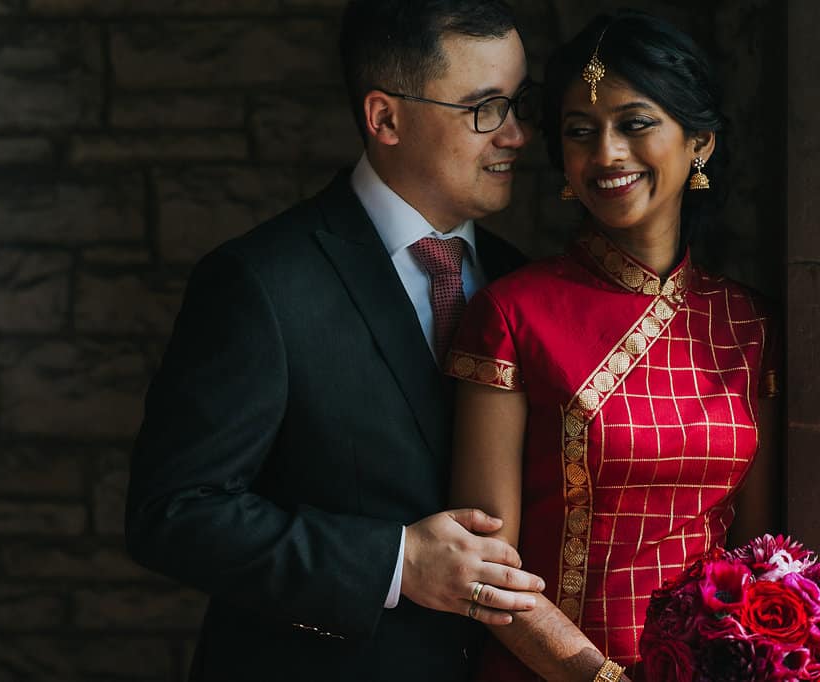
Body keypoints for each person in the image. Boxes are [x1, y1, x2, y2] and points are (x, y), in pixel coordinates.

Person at [125, 1, 547, 680]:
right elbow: (173, 514)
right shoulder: (260, 281)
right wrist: (394, 563)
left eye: (519, 102)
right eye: (483, 109)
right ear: (385, 118)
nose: (517, 134)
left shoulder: (525, 280)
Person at [447, 10, 779, 682]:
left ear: (701, 143)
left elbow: (762, 556)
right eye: (580, 132)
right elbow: (486, 571)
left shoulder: (748, 323)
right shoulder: (512, 313)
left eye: (635, 123)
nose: (607, 155)